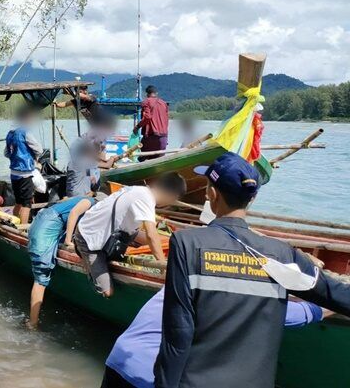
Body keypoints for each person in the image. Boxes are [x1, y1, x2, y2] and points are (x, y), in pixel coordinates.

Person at [154, 153, 350, 388]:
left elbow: (178, 332)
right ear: (253, 199)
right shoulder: (283, 253)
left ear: (211, 194)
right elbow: (336, 295)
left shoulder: (187, 243)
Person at [102, 287, 326, 388]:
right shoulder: (249, 299)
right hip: (155, 376)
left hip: (119, 359)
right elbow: (308, 313)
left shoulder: (184, 278)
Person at [74, 173, 186, 297]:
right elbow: (151, 234)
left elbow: (150, 236)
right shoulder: (145, 197)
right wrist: (163, 266)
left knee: (160, 240)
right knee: (108, 292)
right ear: (171, 195)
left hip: (112, 232)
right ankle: (89, 268)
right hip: (89, 238)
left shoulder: (140, 190)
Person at [27, 195, 95, 329]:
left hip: (49, 223)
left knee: (42, 274)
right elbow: (74, 213)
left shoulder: (83, 200)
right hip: (47, 225)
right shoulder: (91, 202)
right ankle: (32, 323)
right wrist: (68, 241)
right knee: (41, 276)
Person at [4, 105, 43, 224]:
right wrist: (34, 158)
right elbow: (39, 149)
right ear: (27, 118)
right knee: (27, 204)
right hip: (25, 173)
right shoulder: (25, 132)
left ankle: (14, 224)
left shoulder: (10, 133)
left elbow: (6, 153)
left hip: (13, 173)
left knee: (18, 202)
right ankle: (23, 229)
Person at [133, 86, 169, 161]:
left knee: (142, 157)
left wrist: (137, 127)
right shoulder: (164, 103)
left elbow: (147, 117)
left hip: (151, 136)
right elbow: (166, 120)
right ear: (156, 93)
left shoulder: (146, 101)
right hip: (164, 137)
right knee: (159, 159)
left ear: (147, 94)